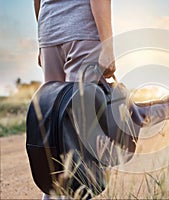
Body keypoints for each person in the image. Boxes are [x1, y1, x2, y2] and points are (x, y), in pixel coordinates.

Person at [33, 0, 115, 199]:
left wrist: (42, 38)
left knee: (57, 123)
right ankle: (75, 194)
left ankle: (53, 194)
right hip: (82, 30)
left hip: (49, 30)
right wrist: (108, 45)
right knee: (80, 127)